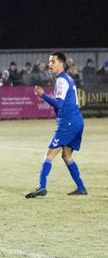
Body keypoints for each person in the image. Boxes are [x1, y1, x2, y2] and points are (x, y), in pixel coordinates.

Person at [25, 52, 87, 198]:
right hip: (77, 121)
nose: (49, 64)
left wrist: (42, 94)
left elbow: (59, 104)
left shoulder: (61, 81)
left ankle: (41, 187)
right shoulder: (66, 79)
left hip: (68, 123)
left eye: (53, 61)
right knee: (66, 156)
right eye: (49, 61)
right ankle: (81, 188)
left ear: (61, 63)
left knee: (48, 155)